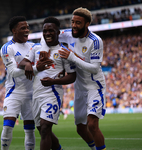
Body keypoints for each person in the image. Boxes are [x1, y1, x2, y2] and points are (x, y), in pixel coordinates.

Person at [41, 7, 107, 150]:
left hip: (94, 86)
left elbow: (95, 68)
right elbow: (47, 34)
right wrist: (44, 51)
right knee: (80, 129)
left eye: (78, 23)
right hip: (79, 87)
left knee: (92, 125)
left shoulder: (95, 41)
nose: (74, 26)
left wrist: (72, 57)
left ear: (87, 23)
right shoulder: (68, 34)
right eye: (72, 22)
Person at [19, 16, 76, 150]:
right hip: (36, 94)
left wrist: (53, 81)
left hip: (52, 94)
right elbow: (22, 63)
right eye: (45, 31)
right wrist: (27, 64)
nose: (47, 34)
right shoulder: (36, 48)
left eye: (51, 31)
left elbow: (72, 76)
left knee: (45, 128)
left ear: (58, 32)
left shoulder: (64, 52)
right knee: (44, 131)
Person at [0, 16, 36, 150]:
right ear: (14, 31)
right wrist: (35, 68)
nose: (27, 30)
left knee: (30, 130)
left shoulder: (33, 46)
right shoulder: (7, 48)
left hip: (31, 93)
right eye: (23, 28)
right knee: (8, 126)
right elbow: (14, 72)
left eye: (27, 27)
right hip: (14, 92)